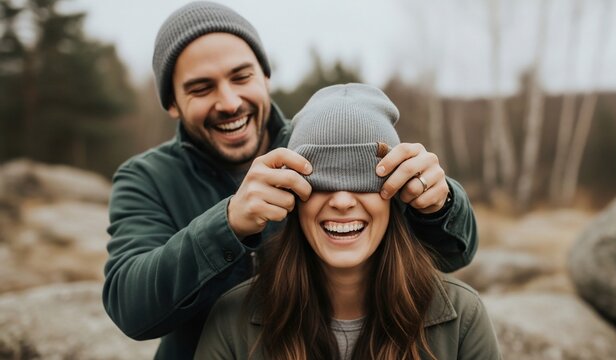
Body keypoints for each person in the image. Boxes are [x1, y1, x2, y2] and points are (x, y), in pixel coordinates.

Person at [103, 2, 479, 359]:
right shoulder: (147, 178)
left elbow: (452, 255)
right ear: (171, 103)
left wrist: (441, 203)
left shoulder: (321, 142)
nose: (229, 101)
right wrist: (229, 223)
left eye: (241, 76)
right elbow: (132, 308)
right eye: (201, 88)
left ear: (265, 77)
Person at [194, 83, 500, 360]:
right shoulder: (231, 322)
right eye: (321, 182)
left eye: (362, 180)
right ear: (291, 195)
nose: (342, 201)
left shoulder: (462, 318)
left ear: (396, 193)